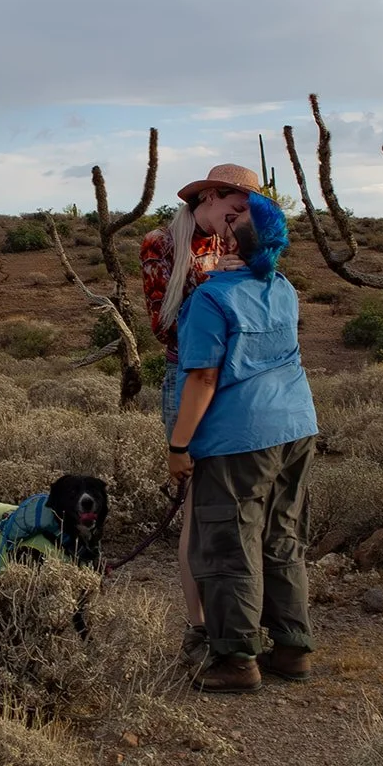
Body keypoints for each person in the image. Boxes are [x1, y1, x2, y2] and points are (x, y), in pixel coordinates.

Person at [163, 192, 318, 694]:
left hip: (238, 437)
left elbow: (203, 378)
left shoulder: (210, 298)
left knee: (230, 543)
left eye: (237, 218)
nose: (228, 219)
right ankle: (292, 647)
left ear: (234, 238)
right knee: (280, 535)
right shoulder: (284, 288)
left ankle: (236, 658)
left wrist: (179, 445)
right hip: (295, 426)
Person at [140, 163, 259, 663]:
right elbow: (163, 326)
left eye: (244, 216)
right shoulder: (160, 244)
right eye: (233, 210)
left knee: (227, 501)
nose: (236, 223)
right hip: (187, 377)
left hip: (230, 380)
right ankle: (198, 625)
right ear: (209, 197)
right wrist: (215, 289)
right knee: (194, 505)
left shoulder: (226, 244)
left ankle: (235, 620)